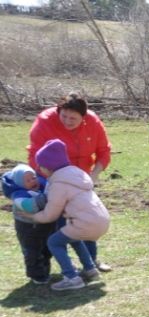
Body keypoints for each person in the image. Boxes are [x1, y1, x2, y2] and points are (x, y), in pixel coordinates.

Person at [28, 92, 113, 271]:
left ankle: (91, 262)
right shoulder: (44, 122)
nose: (67, 121)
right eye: (64, 116)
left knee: (85, 218)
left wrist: (94, 175)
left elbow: (104, 152)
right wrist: (49, 183)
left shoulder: (93, 122)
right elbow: (35, 156)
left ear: (84, 117)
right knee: (59, 221)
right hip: (54, 179)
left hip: (81, 180)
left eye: (73, 118)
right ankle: (58, 266)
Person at [23, 140, 110, 291]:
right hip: (101, 220)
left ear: (49, 167)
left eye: (41, 166)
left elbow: (50, 214)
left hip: (86, 223)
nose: (39, 169)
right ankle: (90, 269)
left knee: (54, 242)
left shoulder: (58, 185)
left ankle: (71, 277)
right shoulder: (76, 174)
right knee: (73, 238)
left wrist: (33, 217)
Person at [1, 163, 59, 285]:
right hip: (28, 229)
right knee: (32, 251)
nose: (33, 181)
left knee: (47, 249)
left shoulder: (42, 187)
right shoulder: (18, 195)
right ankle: (37, 275)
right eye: (27, 180)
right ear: (20, 183)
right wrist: (47, 197)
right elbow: (30, 206)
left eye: (33, 177)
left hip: (45, 226)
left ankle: (44, 271)